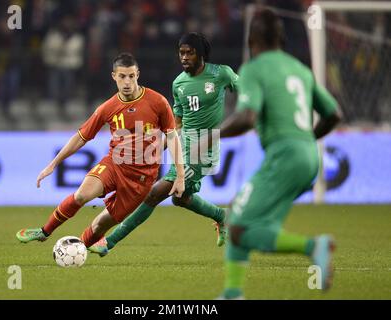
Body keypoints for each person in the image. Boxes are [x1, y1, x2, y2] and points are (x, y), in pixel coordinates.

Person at [218, 9, 343, 299]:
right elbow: (334, 114)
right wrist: (305, 140)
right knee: (241, 214)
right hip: (309, 157)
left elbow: (247, 117)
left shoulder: (254, 68)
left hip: (285, 156)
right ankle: (233, 293)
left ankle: (314, 247)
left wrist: (214, 134)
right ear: (281, 39)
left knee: (237, 224)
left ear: (252, 40)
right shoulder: (299, 69)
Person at [91, 32, 239, 257]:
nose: (185, 57)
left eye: (190, 52)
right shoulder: (178, 83)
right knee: (181, 199)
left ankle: (109, 242)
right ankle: (222, 216)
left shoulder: (221, 74)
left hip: (203, 149)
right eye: (181, 53)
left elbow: (248, 94)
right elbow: (176, 124)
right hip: (183, 147)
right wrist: (157, 146)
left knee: (154, 193)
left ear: (200, 54)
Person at [16, 53, 185, 248]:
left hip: (141, 179)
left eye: (131, 76)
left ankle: (78, 249)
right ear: (114, 76)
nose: (127, 81)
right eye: (122, 76)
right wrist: (53, 164)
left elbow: (172, 137)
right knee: (81, 195)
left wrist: (180, 175)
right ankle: (45, 231)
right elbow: (81, 137)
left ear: (138, 74)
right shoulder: (108, 108)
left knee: (99, 226)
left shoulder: (158, 102)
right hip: (115, 165)